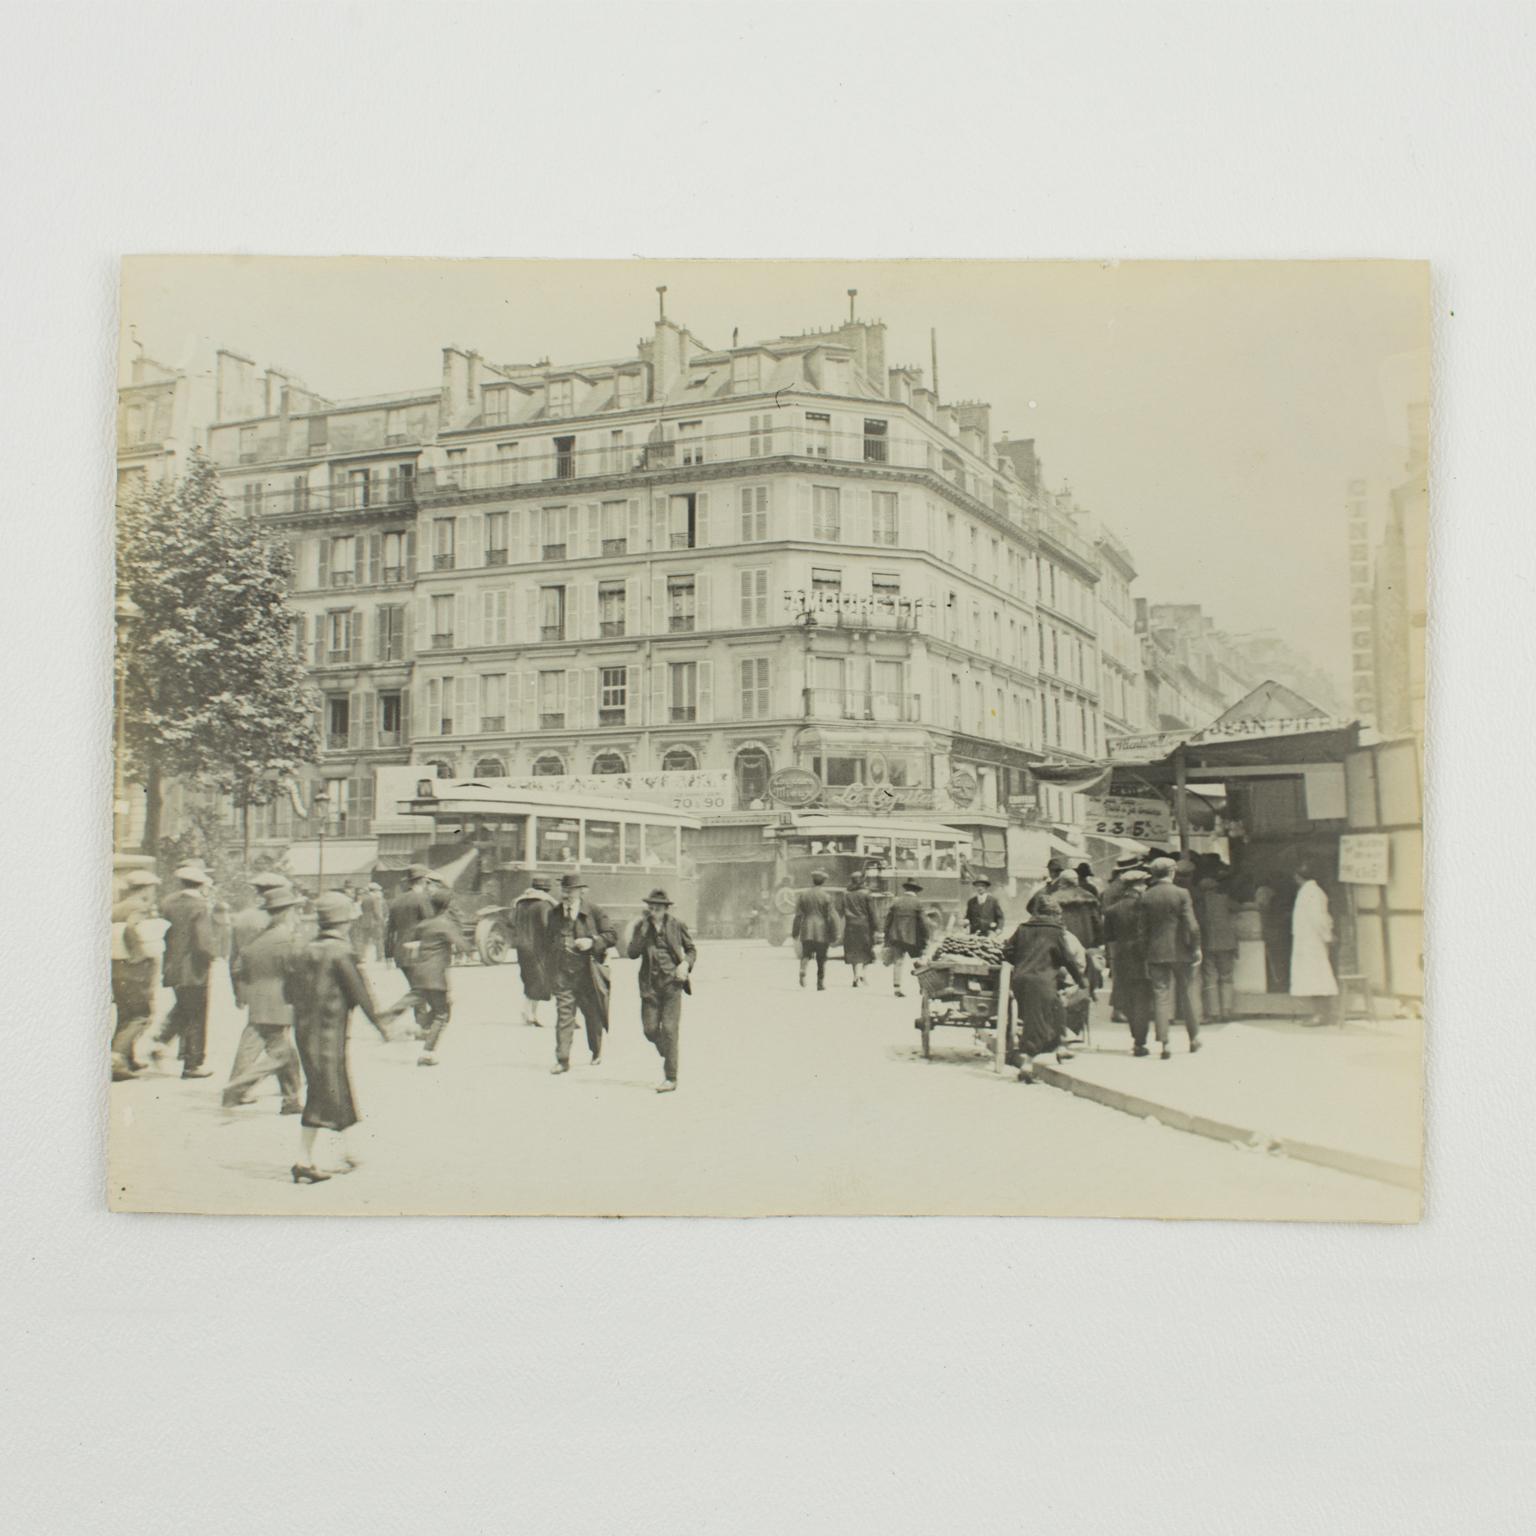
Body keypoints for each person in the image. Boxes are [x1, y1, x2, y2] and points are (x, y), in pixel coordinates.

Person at [284, 890, 399, 1184]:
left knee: (327, 1088)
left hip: (305, 1031)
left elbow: (289, 993)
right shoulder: (341, 953)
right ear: (343, 922)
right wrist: (382, 1027)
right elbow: (361, 995)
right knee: (326, 1090)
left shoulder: (302, 950)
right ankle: (304, 1160)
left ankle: (344, 1151)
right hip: (329, 1033)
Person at [222, 885, 304, 1113]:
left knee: (253, 1046)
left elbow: (238, 966)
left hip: (258, 1001)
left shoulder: (256, 941)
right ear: (287, 912)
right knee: (283, 1053)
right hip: (281, 1002)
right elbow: (296, 971)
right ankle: (242, 1087)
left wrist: (245, 989)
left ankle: (288, 1100)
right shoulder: (287, 940)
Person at [1003, 895, 1086, 1083]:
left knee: (1056, 1009)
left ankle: (1060, 1047)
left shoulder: (1023, 928)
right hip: (1042, 982)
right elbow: (1067, 959)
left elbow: (1007, 951)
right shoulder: (1055, 931)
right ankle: (1027, 1064)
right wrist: (1081, 981)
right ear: (1053, 914)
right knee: (1037, 1022)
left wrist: (1021, 962)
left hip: (1020, 981)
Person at [545, 874, 617, 1074]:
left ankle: (596, 1050)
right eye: (564, 890)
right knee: (564, 1016)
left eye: (571, 890)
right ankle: (562, 1059)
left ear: (580, 892)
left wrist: (592, 942)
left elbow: (612, 935)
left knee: (592, 1015)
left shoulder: (594, 911)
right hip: (563, 974)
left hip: (588, 974)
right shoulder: (554, 913)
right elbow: (547, 942)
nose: (567, 894)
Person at [627, 888, 697, 1092]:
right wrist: (641, 933)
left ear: (666, 909)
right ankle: (668, 1052)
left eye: (657, 908)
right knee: (650, 1030)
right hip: (649, 986)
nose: (653, 911)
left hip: (672, 984)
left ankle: (671, 1078)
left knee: (669, 1029)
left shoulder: (677, 926)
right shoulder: (642, 927)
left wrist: (685, 964)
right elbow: (632, 953)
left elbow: (691, 949)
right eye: (650, 908)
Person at [153, 863, 220, 1079]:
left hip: (173, 966)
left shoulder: (167, 903)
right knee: (197, 1015)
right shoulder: (199, 906)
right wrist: (213, 955)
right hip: (194, 970)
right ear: (200, 885)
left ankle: (161, 1041)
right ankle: (193, 1063)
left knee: (183, 1007)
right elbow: (203, 942)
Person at [1138, 856, 1203, 1059]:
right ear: (1172, 872)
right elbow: (1192, 925)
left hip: (1156, 953)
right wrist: (1196, 947)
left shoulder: (1146, 896)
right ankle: (1193, 1038)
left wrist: (1145, 954)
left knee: (1161, 996)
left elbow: (1142, 931)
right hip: (1181, 951)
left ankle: (1164, 1043)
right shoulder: (1182, 893)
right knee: (1188, 993)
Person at [400, 884, 463, 1066]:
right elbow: (462, 945)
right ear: (446, 905)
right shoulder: (445, 923)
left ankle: (418, 1026)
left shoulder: (424, 924)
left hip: (421, 972)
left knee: (439, 1008)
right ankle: (427, 1053)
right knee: (443, 1014)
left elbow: (413, 942)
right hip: (436, 975)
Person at [110, 870, 161, 1080]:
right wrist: (139, 955)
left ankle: (127, 1061)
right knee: (141, 1016)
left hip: (116, 968)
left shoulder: (116, 908)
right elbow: (134, 933)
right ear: (146, 889)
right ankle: (115, 1059)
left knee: (126, 1016)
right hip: (135, 969)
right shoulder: (139, 908)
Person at [1103, 867, 1154, 1055]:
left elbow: (1109, 938)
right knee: (1142, 999)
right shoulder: (1144, 906)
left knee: (1130, 1000)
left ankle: (1136, 1036)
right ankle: (1140, 1040)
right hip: (1143, 957)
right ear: (1138, 886)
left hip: (1122, 958)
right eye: (1143, 884)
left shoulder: (1112, 910)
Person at [385, 864, 437, 1030]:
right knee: (422, 990)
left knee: (418, 988)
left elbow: (389, 930)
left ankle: (421, 1024)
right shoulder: (422, 899)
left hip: (400, 952)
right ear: (422, 880)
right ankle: (416, 1024)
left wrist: (388, 953)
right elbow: (431, 924)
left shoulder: (396, 901)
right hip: (418, 950)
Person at [1290, 862, 1339, 1025]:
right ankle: (1320, 1014)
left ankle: (1321, 1015)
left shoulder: (1312, 892)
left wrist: (1328, 936)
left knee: (1318, 978)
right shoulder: (1309, 891)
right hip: (1309, 942)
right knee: (1314, 978)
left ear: (1298, 877)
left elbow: (1319, 919)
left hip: (1313, 943)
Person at [1196, 864, 1240, 1023]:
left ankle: (1214, 1012)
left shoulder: (1200, 904)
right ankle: (1226, 1010)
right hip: (1227, 944)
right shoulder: (1225, 899)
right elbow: (1239, 907)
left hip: (1208, 944)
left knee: (1210, 978)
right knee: (1227, 977)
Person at [511, 875, 556, 1026]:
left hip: (522, 948)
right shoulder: (544, 905)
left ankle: (529, 1013)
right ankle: (530, 1014)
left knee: (529, 980)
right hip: (538, 948)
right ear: (546, 889)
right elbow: (547, 926)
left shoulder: (520, 903)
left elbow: (512, 923)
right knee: (539, 981)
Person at [230, 872, 290, 976]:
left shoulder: (241, 917)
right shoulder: (279, 917)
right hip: (273, 975)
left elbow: (234, 954)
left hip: (245, 975)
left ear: (257, 890)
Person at [792, 870, 840, 991]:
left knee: (806, 954)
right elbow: (831, 916)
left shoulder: (803, 895)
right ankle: (820, 983)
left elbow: (798, 915)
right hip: (821, 931)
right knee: (821, 957)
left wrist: (795, 932)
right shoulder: (826, 896)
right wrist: (835, 932)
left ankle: (803, 969)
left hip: (806, 928)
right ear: (823, 882)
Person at [883, 877, 929, 997]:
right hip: (913, 937)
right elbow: (923, 923)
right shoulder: (917, 903)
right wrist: (926, 937)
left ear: (906, 889)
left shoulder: (896, 901)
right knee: (918, 962)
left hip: (896, 937)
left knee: (898, 962)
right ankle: (923, 987)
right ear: (916, 891)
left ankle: (897, 988)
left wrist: (886, 938)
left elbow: (888, 921)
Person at [839, 870, 878, 987]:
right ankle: (862, 975)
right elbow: (872, 912)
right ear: (862, 880)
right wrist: (876, 927)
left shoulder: (846, 894)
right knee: (866, 951)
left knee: (853, 951)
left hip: (850, 926)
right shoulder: (866, 894)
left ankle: (856, 975)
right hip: (865, 926)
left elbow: (841, 910)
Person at [1053, 868, 1104, 951]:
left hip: (1065, 945)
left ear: (1061, 881)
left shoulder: (1054, 899)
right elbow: (1097, 923)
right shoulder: (1089, 898)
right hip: (1087, 944)